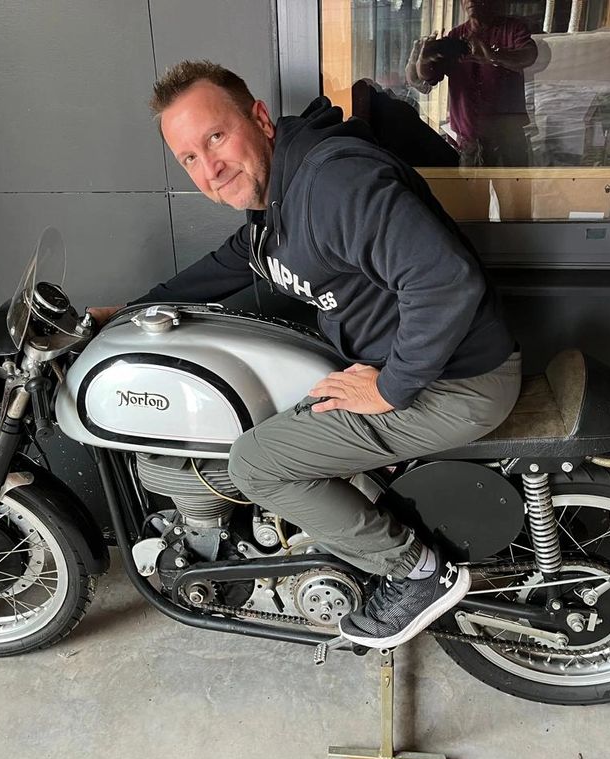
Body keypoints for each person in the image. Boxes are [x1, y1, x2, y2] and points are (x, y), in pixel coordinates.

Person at [90, 60, 521, 649]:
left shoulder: (331, 184)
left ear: (260, 119)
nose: (210, 169)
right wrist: (131, 312)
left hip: (457, 383)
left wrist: (389, 387)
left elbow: (445, 281)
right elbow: (234, 260)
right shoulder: (279, 194)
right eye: (189, 157)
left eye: (215, 138)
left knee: (255, 463)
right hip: (419, 369)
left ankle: (418, 573)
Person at [406, 0, 537, 167]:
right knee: (470, 184)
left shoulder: (512, 29)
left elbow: (529, 55)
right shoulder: (455, 36)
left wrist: (492, 55)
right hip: (469, 143)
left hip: (508, 140)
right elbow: (427, 81)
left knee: (513, 185)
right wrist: (421, 60)